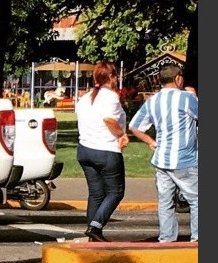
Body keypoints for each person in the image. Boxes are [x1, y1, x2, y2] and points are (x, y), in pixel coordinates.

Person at [128, 65, 198, 243]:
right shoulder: (186, 98)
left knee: (165, 202)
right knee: (197, 199)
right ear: (178, 78)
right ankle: (197, 237)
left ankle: (166, 238)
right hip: (185, 159)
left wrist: (150, 141)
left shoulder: (153, 101)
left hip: (161, 160)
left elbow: (134, 126)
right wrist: (195, 96)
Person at [75, 61, 129, 242]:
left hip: (85, 149)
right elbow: (109, 120)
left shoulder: (85, 98)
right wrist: (122, 135)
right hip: (106, 150)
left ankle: (93, 233)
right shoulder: (110, 97)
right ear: (111, 77)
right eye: (115, 76)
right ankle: (96, 226)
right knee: (116, 192)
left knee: (96, 193)